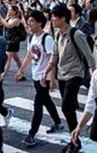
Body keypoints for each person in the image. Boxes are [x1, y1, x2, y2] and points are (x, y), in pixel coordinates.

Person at [42, 5, 96, 153]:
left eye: (55, 17)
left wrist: (95, 75)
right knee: (69, 108)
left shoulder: (76, 34)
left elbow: (88, 55)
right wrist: (46, 73)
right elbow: (54, 56)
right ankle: (74, 140)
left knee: (66, 106)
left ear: (63, 18)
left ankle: (75, 140)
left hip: (75, 73)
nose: (52, 19)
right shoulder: (58, 34)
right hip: (62, 74)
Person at [15, 11, 63, 147]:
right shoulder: (32, 38)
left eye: (31, 21)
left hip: (44, 77)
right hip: (36, 75)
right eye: (28, 21)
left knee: (38, 105)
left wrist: (52, 79)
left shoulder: (46, 38)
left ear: (39, 23)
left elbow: (51, 59)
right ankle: (58, 122)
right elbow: (29, 55)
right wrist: (21, 70)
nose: (29, 24)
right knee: (46, 100)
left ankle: (31, 134)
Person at [0, 6, 25, 81]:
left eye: (10, 10)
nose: (9, 11)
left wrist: (1, 17)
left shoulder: (16, 20)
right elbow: (1, 24)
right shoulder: (9, 18)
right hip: (9, 40)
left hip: (13, 41)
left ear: (15, 12)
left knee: (8, 58)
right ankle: (22, 73)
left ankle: (2, 76)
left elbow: (8, 26)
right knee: (16, 58)